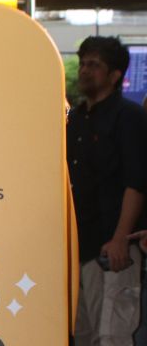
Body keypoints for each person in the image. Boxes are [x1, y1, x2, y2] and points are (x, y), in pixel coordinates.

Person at [68, 36, 147, 345]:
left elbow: (136, 182)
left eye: (94, 65)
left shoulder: (129, 117)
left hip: (112, 247)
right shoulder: (76, 119)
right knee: (82, 334)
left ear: (114, 75)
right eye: (83, 63)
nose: (85, 70)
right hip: (79, 247)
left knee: (113, 334)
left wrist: (120, 239)